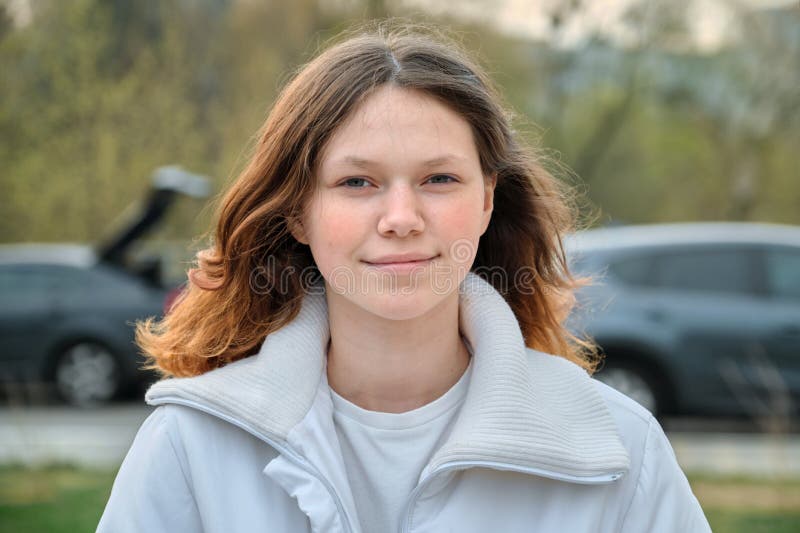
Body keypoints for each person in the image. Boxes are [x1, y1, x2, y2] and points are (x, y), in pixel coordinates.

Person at [97, 23, 711, 533]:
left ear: (488, 200)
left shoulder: (618, 450)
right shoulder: (191, 446)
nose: (401, 219)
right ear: (297, 213)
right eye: (356, 182)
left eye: (438, 179)